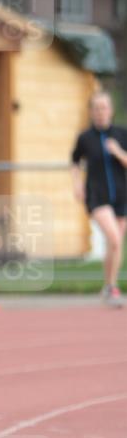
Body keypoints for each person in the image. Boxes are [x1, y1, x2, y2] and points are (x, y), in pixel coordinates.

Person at [71, 91, 127, 307]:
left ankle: (108, 285)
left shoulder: (121, 134)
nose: (100, 112)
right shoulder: (85, 138)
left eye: (104, 108)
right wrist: (76, 184)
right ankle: (112, 287)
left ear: (110, 110)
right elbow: (74, 161)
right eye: (96, 108)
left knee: (116, 245)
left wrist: (118, 152)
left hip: (121, 195)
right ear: (91, 112)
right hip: (97, 195)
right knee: (113, 238)